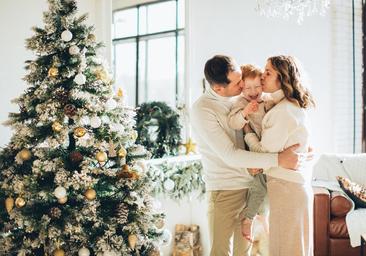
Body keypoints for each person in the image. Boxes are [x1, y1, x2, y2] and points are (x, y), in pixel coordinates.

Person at [191, 55, 305, 256]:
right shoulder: (203, 109)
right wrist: (279, 158)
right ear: (218, 88)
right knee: (220, 252)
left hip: (250, 184)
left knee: (245, 252)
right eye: (237, 82)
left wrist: (301, 148)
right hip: (225, 190)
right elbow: (230, 155)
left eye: (240, 78)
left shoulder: (239, 98)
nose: (243, 84)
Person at [243, 55, 315, 256]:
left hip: (287, 190)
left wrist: (247, 130)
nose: (262, 76)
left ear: (282, 78)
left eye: (268, 72)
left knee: (287, 250)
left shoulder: (283, 111)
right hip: (289, 189)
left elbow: (262, 155)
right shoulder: (286, 106)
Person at [228, 64, 282, 242]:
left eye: (257, 86)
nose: (253, 91)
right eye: (248, 87)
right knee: (259, 186)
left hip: (268, 148)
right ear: (241, 86)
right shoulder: (240, 103)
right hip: (254, 151)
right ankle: (249, 218)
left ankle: (262, 217)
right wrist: (244, 113)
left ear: (262, 84)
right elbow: (234, 123)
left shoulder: (267, 100)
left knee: (269, 187)